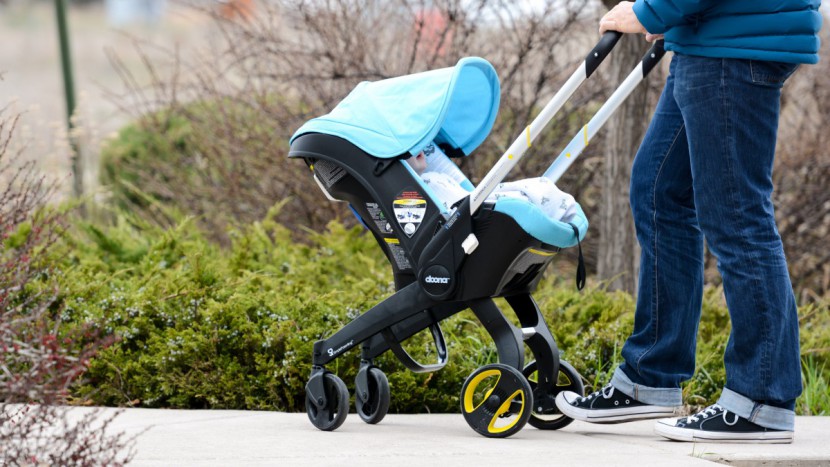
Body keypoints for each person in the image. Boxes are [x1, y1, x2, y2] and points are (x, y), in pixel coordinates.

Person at [554, 0, 822, 444]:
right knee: (659, 193)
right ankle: (651, 376)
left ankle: (762, 401)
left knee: (737, 216)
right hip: (711, 38)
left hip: (732, 47)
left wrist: (652, 11)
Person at [406, 143, 579, 222]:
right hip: (470, 216)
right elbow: (453, 209)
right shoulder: (421, 187)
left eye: (420, 143)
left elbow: (468, 195)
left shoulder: (437, 175)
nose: (419, 148)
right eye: (409, 146)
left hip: (476, 203)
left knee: (529, 189)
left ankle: (547, 203)